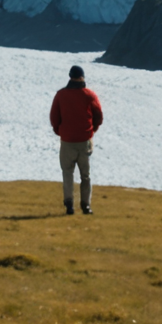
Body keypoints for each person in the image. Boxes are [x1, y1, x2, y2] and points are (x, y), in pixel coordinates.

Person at [49, 64, 103, 215]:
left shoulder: (61, 95)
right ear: (82, 77)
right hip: (84, 140)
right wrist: (91, 131)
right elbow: (98, 116)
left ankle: (69, 205)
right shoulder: (89, 95)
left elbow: (54, 117)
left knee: (67, 172)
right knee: (85, 175)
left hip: (67, 141)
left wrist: (60, 131)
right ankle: (86, 205)